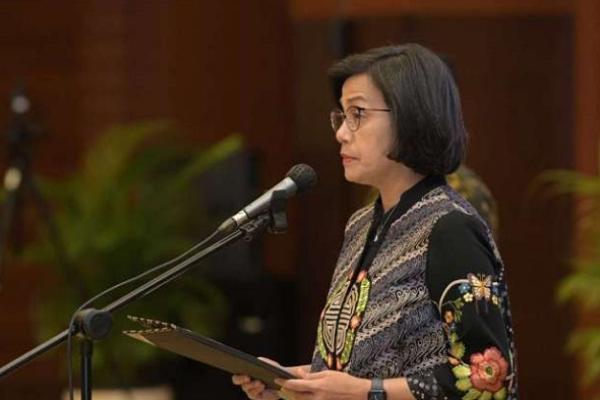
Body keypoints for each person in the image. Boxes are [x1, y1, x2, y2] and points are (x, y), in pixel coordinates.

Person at [232, 43, 517, 400]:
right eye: (341, 115)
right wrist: (296, 383)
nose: (341, 132)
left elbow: (489, 379)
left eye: (358, 114)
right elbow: (360, 368)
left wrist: (368, 392)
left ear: (411, 117)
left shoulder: (450, 228)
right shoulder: (361, 224)